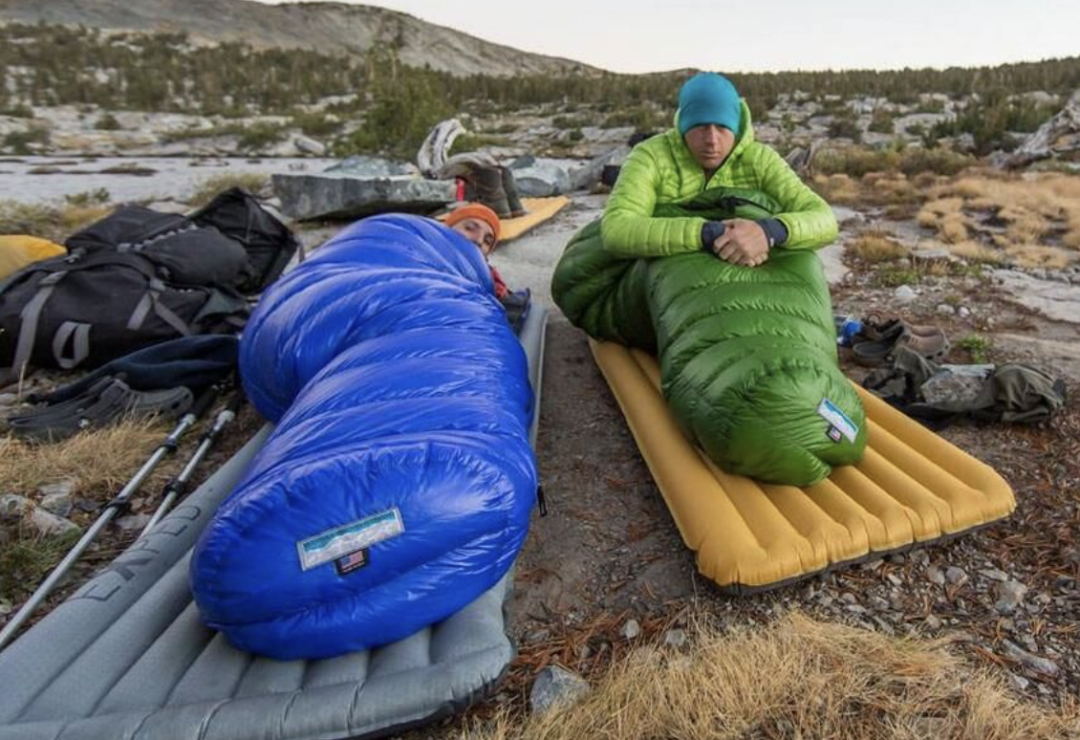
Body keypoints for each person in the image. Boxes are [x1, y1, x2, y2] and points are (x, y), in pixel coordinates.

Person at [601, 72, 838, 265]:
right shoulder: (650, 155)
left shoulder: (760, 160)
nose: (712, 140)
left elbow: (824, 219)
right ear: (683, 126)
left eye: (723, 127)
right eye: (701, 126)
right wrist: (709, 234)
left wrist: (768, 232)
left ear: (735, 128)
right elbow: (617, 230)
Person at [444, 203, 510, 298]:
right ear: (447, 229)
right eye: (470, 228)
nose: (479, 240)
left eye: (487, 241)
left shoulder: (494, 289)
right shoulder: (419, 258)